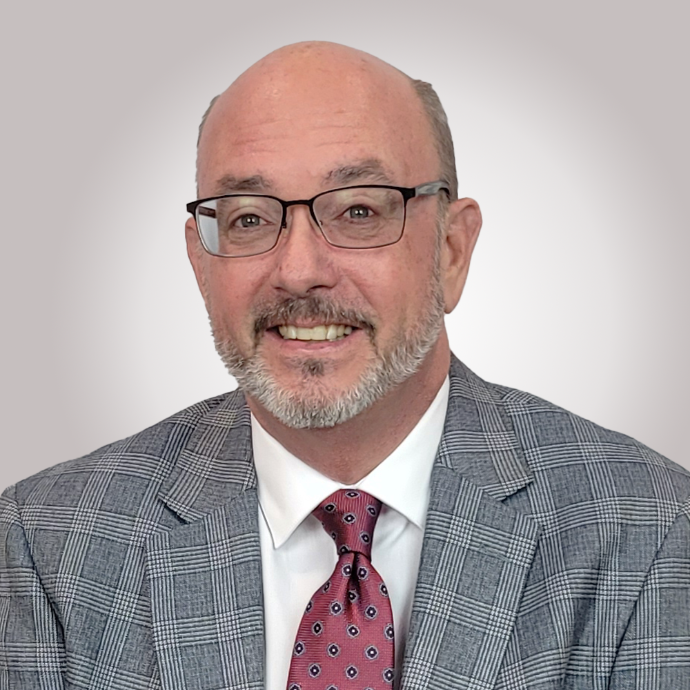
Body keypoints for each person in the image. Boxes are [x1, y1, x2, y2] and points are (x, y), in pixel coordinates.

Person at [1, 41, 689, 690]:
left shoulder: (651, 529)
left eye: (359, 211)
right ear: (201, 263)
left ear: (451, 251)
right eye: (248, 219)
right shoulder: (46, 543)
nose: (298, 270)